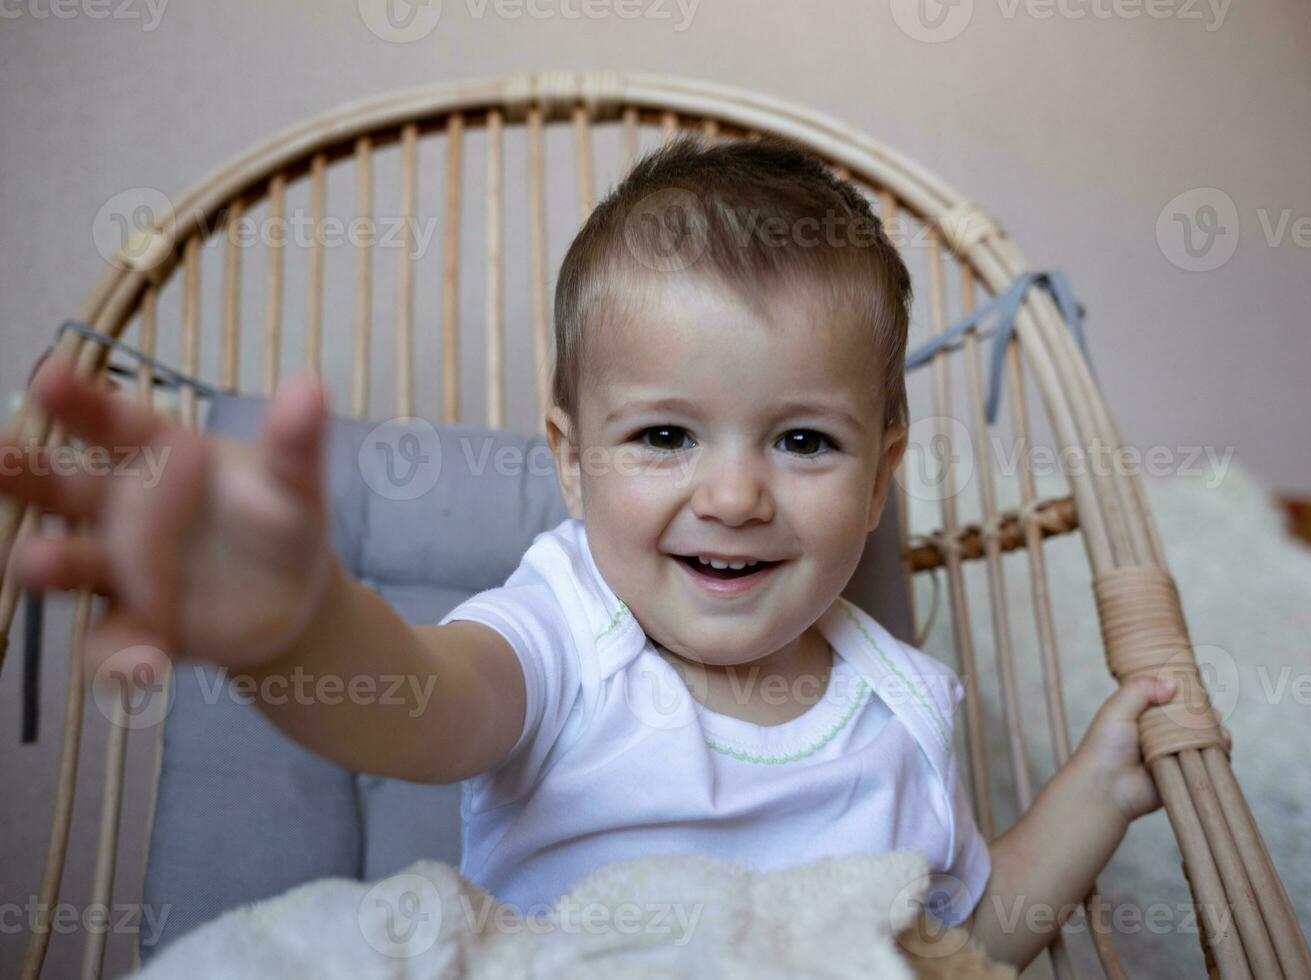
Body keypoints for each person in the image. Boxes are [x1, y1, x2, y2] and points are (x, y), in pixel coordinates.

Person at [2, 134, 1176, 970]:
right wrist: (296, 624)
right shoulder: (565, 627)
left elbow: (962, 944)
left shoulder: (901, 704)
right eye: (663, 435)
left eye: (804, 439)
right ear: (570, 460)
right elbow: (422, 703)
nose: (731, 493)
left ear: (881, 474)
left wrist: (1098, 790)